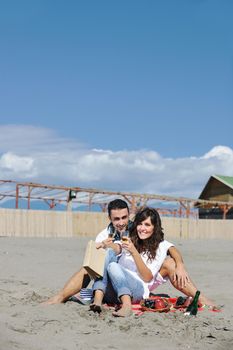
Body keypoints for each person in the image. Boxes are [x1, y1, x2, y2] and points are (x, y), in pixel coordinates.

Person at [90, 207, 215, 317]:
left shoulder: (160, 246)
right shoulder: (129, 239)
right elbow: (116, 248)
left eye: (147, 225)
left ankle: (127, 305)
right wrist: (105, 244)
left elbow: (147, 277)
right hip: (115, 289)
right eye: (140, 224)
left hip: (137, 289)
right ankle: (98, 299)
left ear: (154, 227)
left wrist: (134, 252)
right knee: (109, 254)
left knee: (113, 266)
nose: (142, 228)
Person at [43, 199, 131, 304]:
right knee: (89, 267)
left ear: (129, 215)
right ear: (109, 218)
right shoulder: (104, 235)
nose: (121, 222)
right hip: (108, 285)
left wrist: (109, 246)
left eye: (124, 217)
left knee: (108, 255)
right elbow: (96, 266)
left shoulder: (137, 231)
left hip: (128, 283)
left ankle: (91, 297)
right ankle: (60, 297)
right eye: (116, 219)